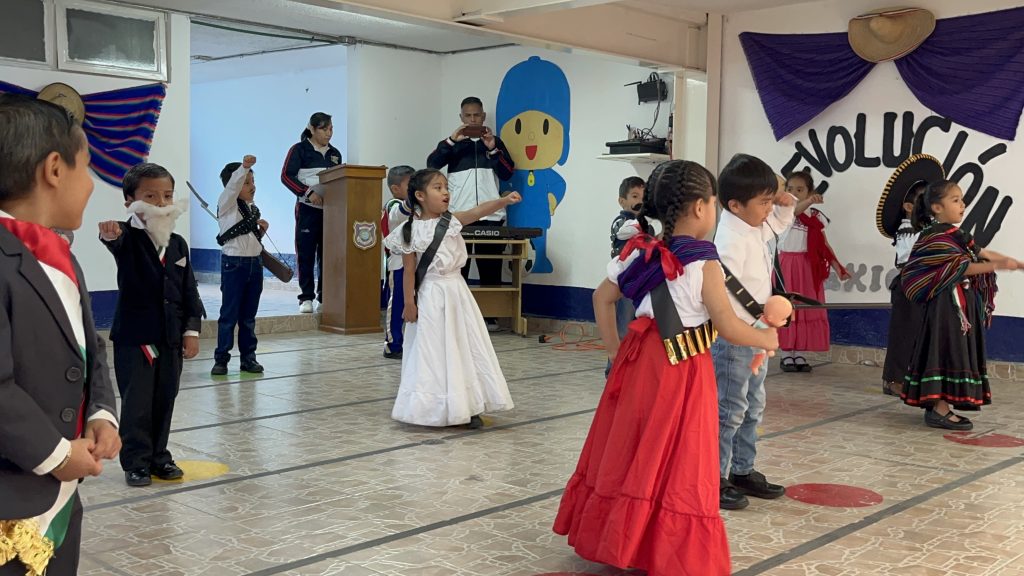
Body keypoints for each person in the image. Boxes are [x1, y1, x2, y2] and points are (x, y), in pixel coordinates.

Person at [553, 160, 779, 576]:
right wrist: (767, 338)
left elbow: (601, 299)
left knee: (634, 445)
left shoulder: (640, 252)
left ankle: (620, 538)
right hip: (682, 368)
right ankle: (659, 546)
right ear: (700, 207)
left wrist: (615, 352)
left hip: (639, 360)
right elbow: (728, 326)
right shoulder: (704, 261)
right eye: (713, 203)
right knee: (678, 455)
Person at [0, 95, 120, 576]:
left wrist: (101, 412)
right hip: (12, 501)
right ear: (54, 169)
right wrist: (55, 454)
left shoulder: (59, 254)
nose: (90, 185)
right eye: (86, 168)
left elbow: (89, 348)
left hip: (58, 498)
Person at [383, 169, 520, 428]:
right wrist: (410, 303)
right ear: (420, 195)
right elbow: (409, 271)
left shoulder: (452, 221)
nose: (445, 192)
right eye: (438, 188)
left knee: (463, 346)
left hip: (457, 294)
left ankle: (468, 405)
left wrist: (503, 201)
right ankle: (431, 407)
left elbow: (477, 212)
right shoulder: (408, 231)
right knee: (432, 350)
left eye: (446, 187)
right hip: (430, 296)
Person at [99, 162, 205, 487]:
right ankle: (136, 461)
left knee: (165, 397)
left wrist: (191, 330)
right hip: (136, 338)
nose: (161, 203)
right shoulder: (125, 236)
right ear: (130, 201)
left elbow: (188, 289)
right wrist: (109, 234)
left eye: (167, 195)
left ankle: (160, 455)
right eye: (150, 196)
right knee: (137, 401)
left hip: (170, 336)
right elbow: (113, 240)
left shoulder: (178, 244)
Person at [899, 180, 1021, 430]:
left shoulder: (957, 235)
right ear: (937, 207)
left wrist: (1016, 263)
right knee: (945, 349)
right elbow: (962, 267)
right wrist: (999, 265)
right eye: (955, 200)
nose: (962, 204)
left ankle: (941, 405)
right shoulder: (935, 237)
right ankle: (938, 409)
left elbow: (983, 253)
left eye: (962, 199)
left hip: (959, 305)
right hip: (944, 307)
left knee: (954, 350)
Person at [712, 153, 796, 511]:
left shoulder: (753, 224)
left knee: (752, 406)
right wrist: (761, 316)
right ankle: (714, 478)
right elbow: (723, 295)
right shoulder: (729, 240)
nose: (769, 209)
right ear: (734, 204)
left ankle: (742, 469)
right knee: (729, 409)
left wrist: (785, 204)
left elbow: (777, 226)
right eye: (764, 202)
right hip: (735, 338)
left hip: (757, 334)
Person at [427, 97, 515, 331]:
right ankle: (457, 316)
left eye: (477, 115)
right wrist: (450, 141)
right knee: (457, 266)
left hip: (491, 215)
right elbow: (432, 164)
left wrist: (492, 148)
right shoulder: (453, 144)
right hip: (459, 216)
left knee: (491, 266)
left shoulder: (495, 143)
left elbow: (507, 173)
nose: (473, 119)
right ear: (461, 117)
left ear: (483, 117)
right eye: (468, 115)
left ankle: (490, 316)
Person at [876, 154, 944, 397]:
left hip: (926, 286)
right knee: (904, 333)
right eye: (922, 200)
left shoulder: (930, 228)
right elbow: (911, 258)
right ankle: (893, 379)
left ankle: (915, 377)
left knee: (921, 333)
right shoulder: (907, 230)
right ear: (908, 207)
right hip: (909, 285)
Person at [777, 171, 850, 372]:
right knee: (787, 308)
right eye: (790, 189)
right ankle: (786, 353)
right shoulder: (783, 212)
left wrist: (838, 267)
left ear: (809, 192)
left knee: (805, 309)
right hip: (786, 266)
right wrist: (808, 201)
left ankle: (799, 353)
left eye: (800, 190)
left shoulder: (816, 217)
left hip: (808, 267)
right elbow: (794, 211)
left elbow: (823, 246)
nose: (794, 193)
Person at [211, 155, 268, 376]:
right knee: (229, 315)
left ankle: (248, 358)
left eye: (253, 181)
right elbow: (232, 187)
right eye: (246, 182)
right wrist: (244, 168)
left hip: (255, 264)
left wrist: (261, 232)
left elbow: (249, 239)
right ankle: (221, 359)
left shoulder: (252, 209)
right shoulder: (227, 205)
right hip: (234, 265)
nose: (252, 186)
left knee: (248, 317)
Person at [281, 112, 342, 313]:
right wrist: (307, 192)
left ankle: (324, 297)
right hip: (307, 209)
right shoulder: (299, 150)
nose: (329, 133)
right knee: (306, 254)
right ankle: (305, 297)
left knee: (327, 254)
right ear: (312, 129)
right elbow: (286, 176)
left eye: (331, 129)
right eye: (324, 129)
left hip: (330, 211)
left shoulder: (335, 153)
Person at [381, 165, 415, 360]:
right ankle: (392, 344)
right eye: (411, 185)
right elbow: (399, 213)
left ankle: (412, 342)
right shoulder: (393, 205)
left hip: (415, 263)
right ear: (395, 188)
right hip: (398, 263)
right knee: (397, 304)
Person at [610, 176, 648, 339]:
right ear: (622, 201)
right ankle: (618, 353)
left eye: (643, 198)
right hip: (625, 278)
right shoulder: (621, 222)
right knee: (624, 320)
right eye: (634, 196)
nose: (640, 202)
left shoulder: (644, 223)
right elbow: (624, 232)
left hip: (640, 277)